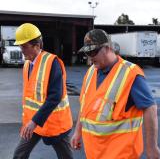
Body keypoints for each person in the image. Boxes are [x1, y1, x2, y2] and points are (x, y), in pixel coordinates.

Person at [70, 29, 160, 159]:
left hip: (120, 154)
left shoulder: (130, 73)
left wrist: (152, 148)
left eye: (93, 52)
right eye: (87, 53)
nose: (90, 57)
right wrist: (78, 131)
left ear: (107, 48)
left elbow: (150, 108)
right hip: (94, 153)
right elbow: (85, 106)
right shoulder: (90, 73)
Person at [13, 23, 73, 159]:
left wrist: (34, 121)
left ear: (37, 45)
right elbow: (31, 98)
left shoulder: (52, 62)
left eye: (24, 46)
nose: (21, 50)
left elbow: (55, 96)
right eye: (20, 46)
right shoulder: (27, 64)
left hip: (54, 123)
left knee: (65, 157)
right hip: (33, 124)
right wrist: (28, 123)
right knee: (19, 154)